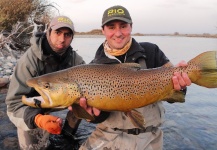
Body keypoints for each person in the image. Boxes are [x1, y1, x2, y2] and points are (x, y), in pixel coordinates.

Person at [78, 5, 192, 150]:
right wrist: (92, 116)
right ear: (103, 30)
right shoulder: (94, 68)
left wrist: (181, 86)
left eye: (123, 26)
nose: (118, 33)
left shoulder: (151, 51)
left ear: (131, 27)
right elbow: (100, 117)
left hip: (150, 137)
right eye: (111, 27)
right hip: (108, 136)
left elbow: (176, 94)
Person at [5, 16, 90, 150]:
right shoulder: (28, 62)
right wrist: (37, 119)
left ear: (72, 38)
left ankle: (67, 135)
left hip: (59, 98)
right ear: (48, 32)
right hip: (33, 107)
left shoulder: (75, 60)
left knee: (83, 98)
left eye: (67, 34)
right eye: (58, 32)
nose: (62, 39)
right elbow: (13, 104)